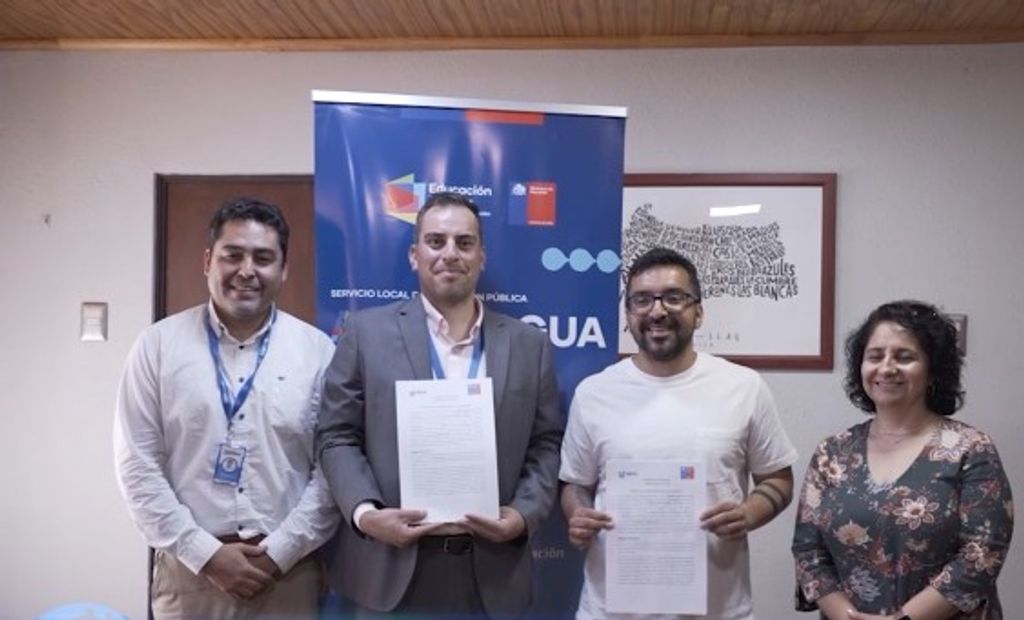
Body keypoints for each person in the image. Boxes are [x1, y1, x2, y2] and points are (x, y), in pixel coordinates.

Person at [316, 191, 563, 617]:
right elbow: (336, 435)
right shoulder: (365, 333)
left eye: (464, 243)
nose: (450, 253)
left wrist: (524, 515)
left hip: (492, 574)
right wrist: (366, 514)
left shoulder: (529, 345)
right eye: (436, 241)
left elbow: (546, 444)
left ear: (481, 257)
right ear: (415, 255)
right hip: (388, 571)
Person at [113, 198, 339, 618]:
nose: (247, 270)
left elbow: (332, 471)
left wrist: (280, 552)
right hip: (189, 573)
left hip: (289, 575)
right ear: (207, 261)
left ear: (283, 269)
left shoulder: (318, 352)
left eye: (263, 258)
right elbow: (137, 465)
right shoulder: (157, 347)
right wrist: (205, 554)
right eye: (232, 255)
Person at [560, 246, 798, 620]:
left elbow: (779, 478)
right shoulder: (594, 393)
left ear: (698, 312)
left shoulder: (744, 387)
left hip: (719, 611)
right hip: (609, 611)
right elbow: (574, 483)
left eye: (673, 297)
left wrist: (748, 514)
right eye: (642, 300)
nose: (657, 311)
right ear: (628, 315)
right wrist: (578, 514)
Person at [792, 300, 1014, 620]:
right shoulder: (832, 453)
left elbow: (982, 553)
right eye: (875, 356)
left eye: (904, 357)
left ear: (932, 369)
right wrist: (846, 616)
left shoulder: (971, 449)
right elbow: (808, 550)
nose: (886, 368)